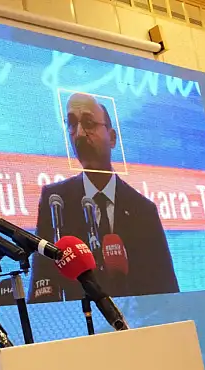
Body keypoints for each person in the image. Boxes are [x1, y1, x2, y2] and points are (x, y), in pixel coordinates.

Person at [29, 93, 179, 303]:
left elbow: (167, 291)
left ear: (112, 138)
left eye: (89, 123)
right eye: (72, 124)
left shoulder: (144, 210)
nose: (79, 134)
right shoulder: (55, 201)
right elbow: (41, 286)